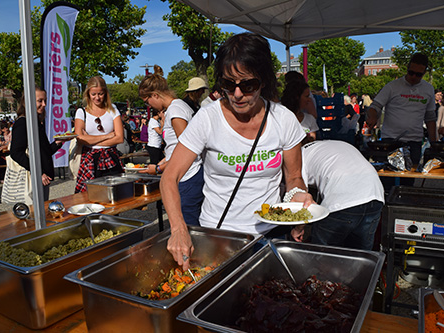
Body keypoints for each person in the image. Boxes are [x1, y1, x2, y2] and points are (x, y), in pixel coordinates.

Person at [160, 33, 313, 270]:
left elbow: (293, 178)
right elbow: (170, 177)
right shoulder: (208, 119)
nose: (238, 94)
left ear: (263, 81)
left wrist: (298, 198)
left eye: (248, 85)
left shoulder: (283, 119)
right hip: (218, 236)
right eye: (228, 85)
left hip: (270, 235)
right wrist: (179, 228)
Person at [139, 65, 204, 226]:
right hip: (186, 175)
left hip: (188, 176)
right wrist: (164, 161)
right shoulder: (176, 108)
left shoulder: (175, 110)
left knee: (189, 226)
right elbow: (176, 147)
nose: (149, 106)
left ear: (155, 95)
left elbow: (187, 150)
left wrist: (160, 169)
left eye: (148, 102)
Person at [302, 140, 384, 250]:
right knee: (361, 257)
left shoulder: (299, 157)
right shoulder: (333, 144)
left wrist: (299, 228)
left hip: (342, 199)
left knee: (324, 255)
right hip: (374, 195)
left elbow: (302, 198)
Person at [366, 53, 437, 165]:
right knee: (389, 178)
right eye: (411, 72)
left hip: (414, 142)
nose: (414, 77)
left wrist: (434, 143)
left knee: (408, 180)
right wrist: (373, 117)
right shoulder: (392, 86)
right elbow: (375, 106)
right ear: (407, 68)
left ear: (424, 73)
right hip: (390, 141)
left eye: (418, 75)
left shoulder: (428, 89)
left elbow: (430, 118)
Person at [2, 86, 64, 203]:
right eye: (40, 101)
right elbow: (16, 153)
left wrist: (57, 143)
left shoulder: (36, 122)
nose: (44, 104)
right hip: (32, 178)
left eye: (45, 100)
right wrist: (38, 172)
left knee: (40, 211)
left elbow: (43, 152)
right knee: (33, 214)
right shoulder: (23, 123)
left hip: (41, 177)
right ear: (28, 102)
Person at [74, 76, 124, 193]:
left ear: (105, 93)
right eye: (94, 94)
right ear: (88, 94)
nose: (97, 98)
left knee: (114, 196)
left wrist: (90, 139)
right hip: (90, 159)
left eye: (100, 94)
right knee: (90, 197)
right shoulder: (81, 112)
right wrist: (107, 135)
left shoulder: (113, 109)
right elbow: (80, 139)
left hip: (111, 157)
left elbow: (119, 138)